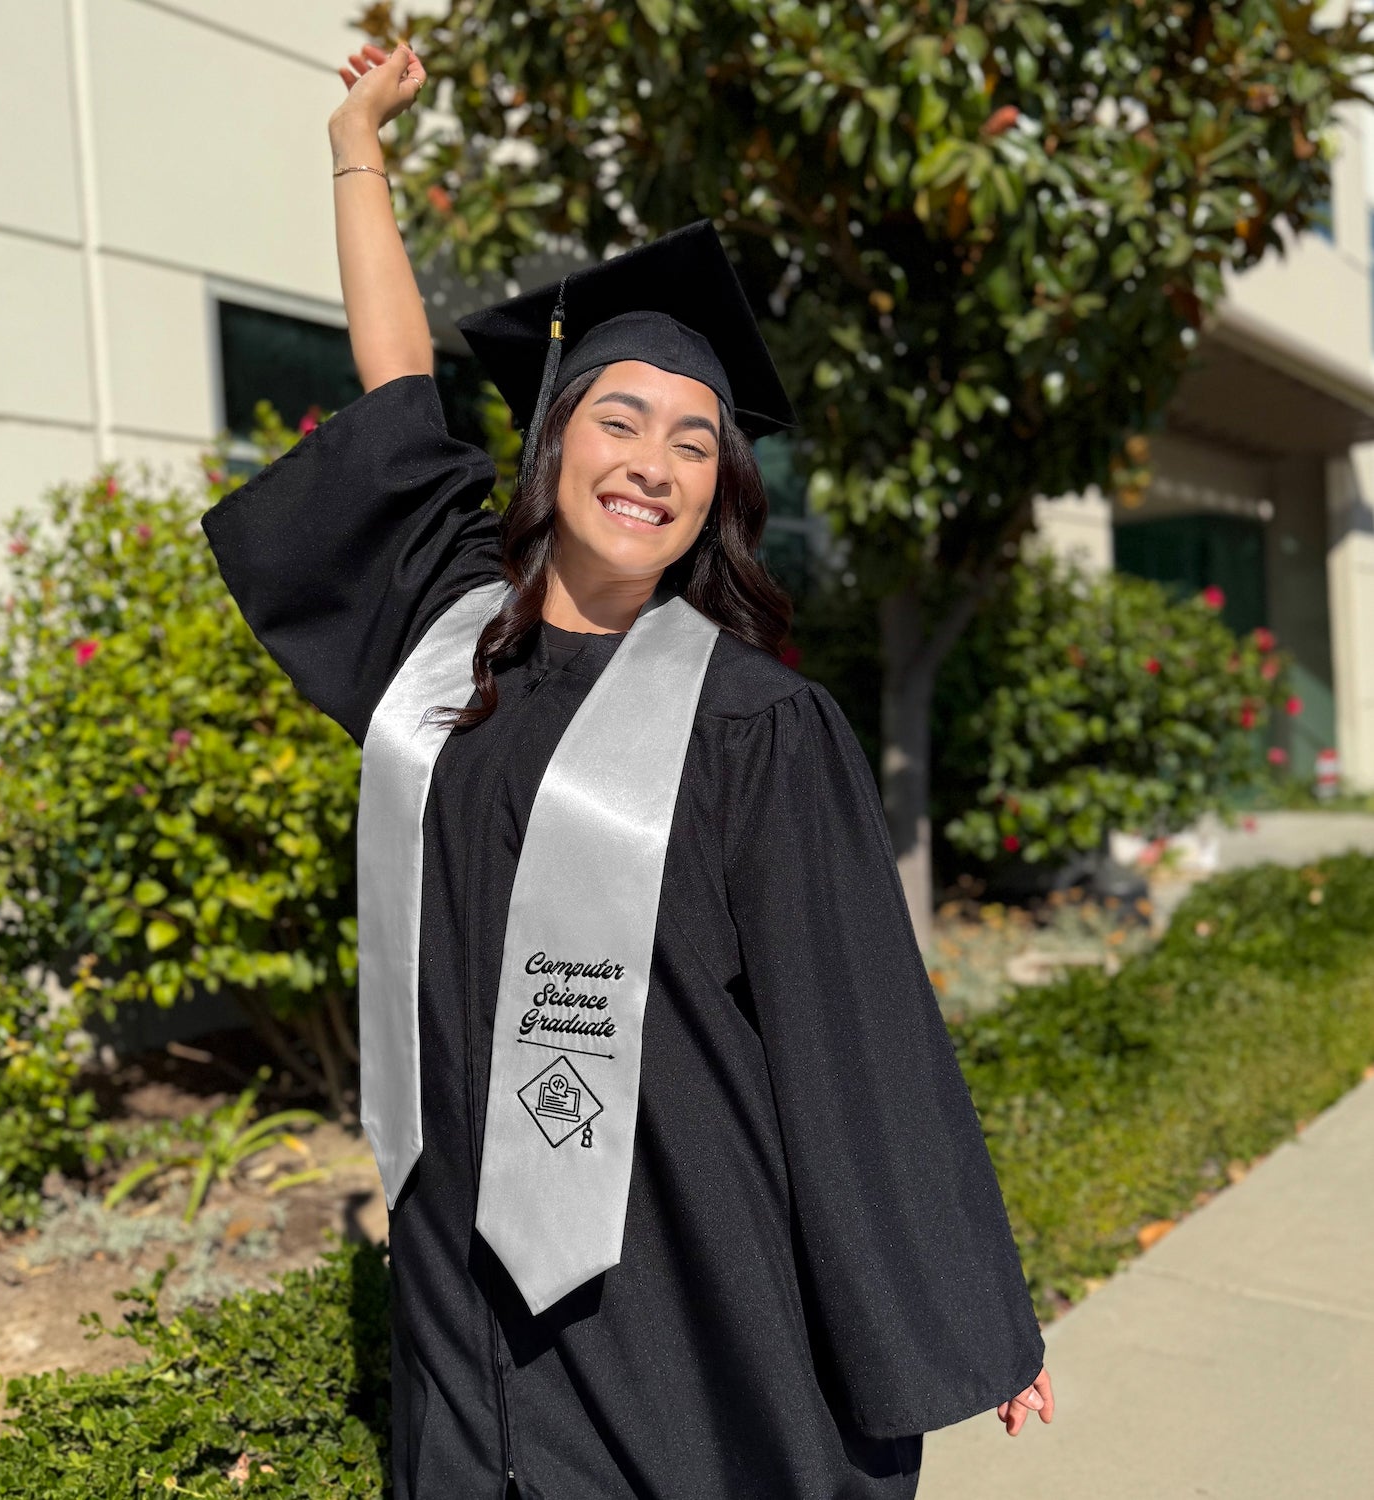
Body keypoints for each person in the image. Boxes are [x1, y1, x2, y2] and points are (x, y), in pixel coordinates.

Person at [201, 37, 1053, 1500]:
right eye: (619, 418)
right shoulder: (442, 631)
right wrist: (357, 146)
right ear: (550, 441)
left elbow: (855, 1040)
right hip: (466, 1277)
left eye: (696, 443)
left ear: (721, 492)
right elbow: (398, 382)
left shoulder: (753, 731)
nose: (655, 462)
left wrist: (962, 1313)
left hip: (678, 1277)